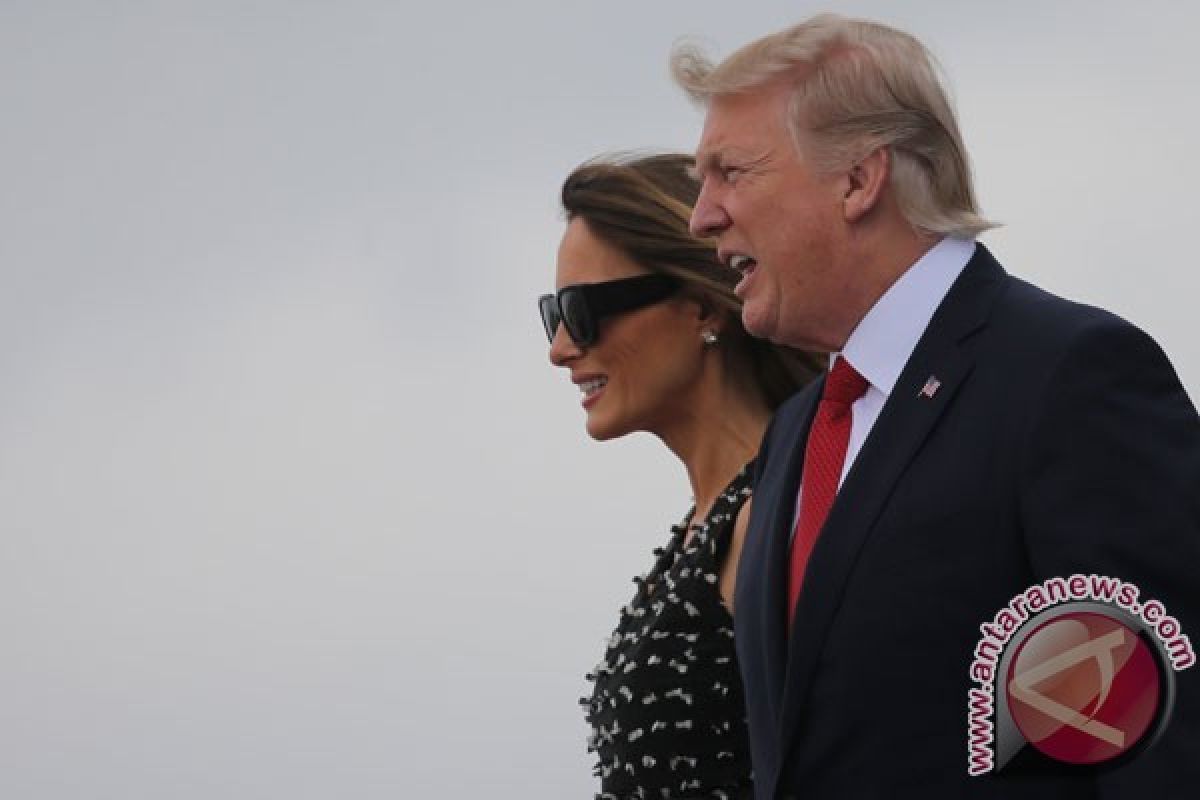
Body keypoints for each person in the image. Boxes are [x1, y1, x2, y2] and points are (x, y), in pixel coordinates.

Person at [670, 13, 1200, 799]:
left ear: (859, 180)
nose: (702, 216)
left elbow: (1163, 738)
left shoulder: (1068, 376)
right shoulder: (795, 433)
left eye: (731, 173)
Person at [540, 153, 820, 800]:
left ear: (700, 306)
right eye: (551, 313)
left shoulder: (778, 511)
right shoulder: (715, 523)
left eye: (581, 310)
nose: (559, 348)